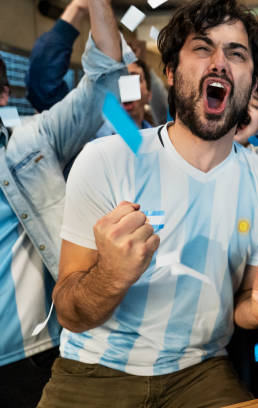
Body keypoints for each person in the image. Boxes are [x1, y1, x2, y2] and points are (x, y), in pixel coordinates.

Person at [39, 1, 258, 407]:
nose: (220, 62)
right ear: (171, 72)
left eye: (236, 53)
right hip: (93, 369)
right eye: (202, 48)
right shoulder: (107, 159)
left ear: (252, 82)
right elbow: (70, 313)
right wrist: (111, 276)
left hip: (202, 369)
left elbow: (242, 304)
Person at [0, 0, 134, 406]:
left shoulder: (30, 144)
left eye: (143, 84)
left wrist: (90, 5)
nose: (136, 93)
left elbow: (106, 85)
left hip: (35, 354)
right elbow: (44, 77)